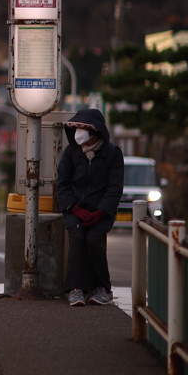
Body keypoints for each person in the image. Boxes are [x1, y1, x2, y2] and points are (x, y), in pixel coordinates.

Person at [55, 108, 124, 307]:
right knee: (77, 236)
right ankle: (75, 289)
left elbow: (114, 188)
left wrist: (100, 211)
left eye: (83, 128)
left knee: (94, 239)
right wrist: (75, 209)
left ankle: (102, 288)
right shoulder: (71, 152)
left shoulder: (112, 154)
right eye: (77, 127)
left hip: (100, 212)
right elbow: (63, 183)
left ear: (96, 132)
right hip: (74, 209)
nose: (79, 132)